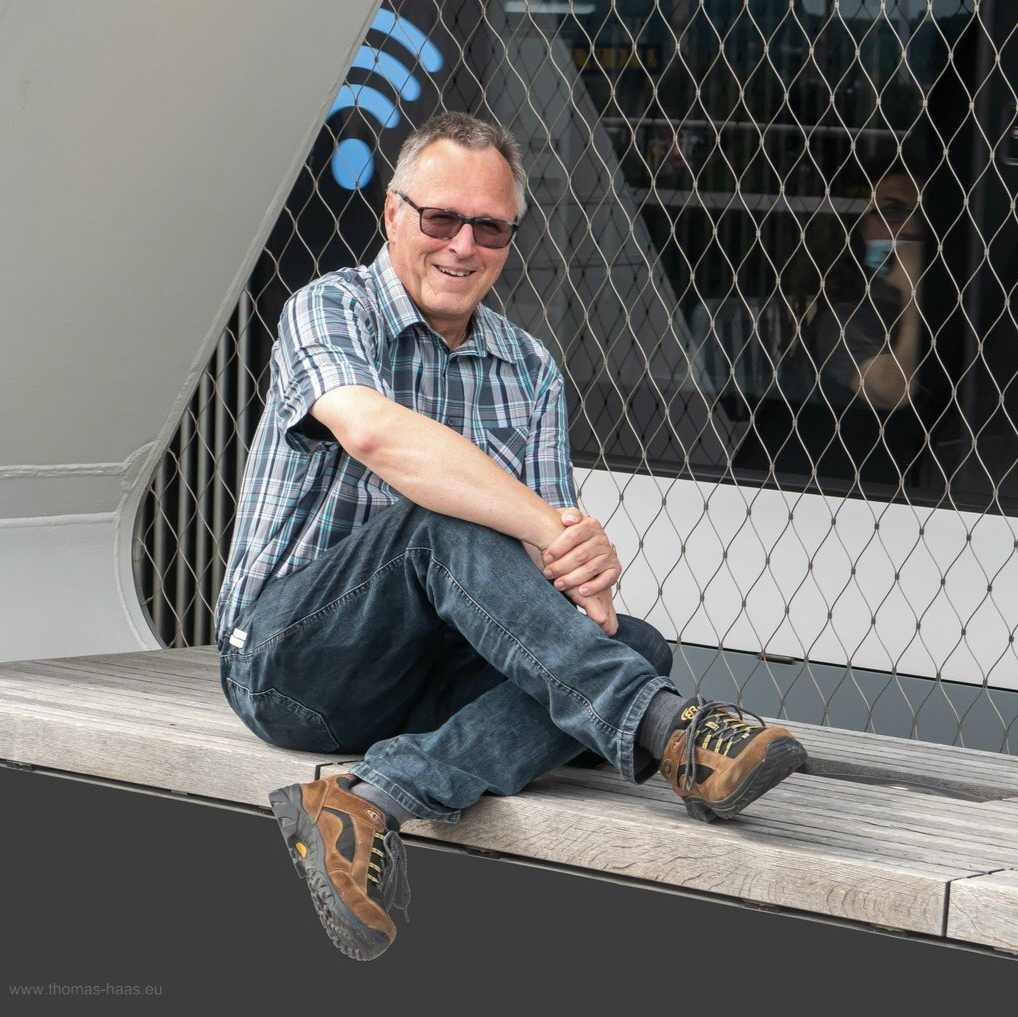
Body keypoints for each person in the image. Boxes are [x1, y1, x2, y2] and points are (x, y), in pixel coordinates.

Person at [214, 111, 807, 962]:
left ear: (510, 237)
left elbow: (561, 584)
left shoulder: (527, 367)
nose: (462, 245)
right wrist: (541, 524)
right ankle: (669, 729)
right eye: (441, 218)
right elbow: (379, 437)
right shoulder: (329, 308)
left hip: (419, 680)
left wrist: (587, 568)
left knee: (632, 643)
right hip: (288, 663)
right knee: (435, 522)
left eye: (488, 227)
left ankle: (371, 797)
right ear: (392, 214)